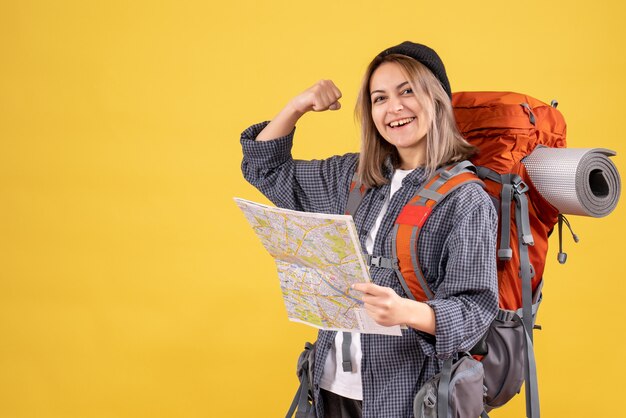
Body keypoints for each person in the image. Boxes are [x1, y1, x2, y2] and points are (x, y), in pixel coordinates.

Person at [240, 41, 498, 418]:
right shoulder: (354, 176)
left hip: (408, 393)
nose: (394, 108)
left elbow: (475, 310)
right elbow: (266, 168)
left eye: (407, 91)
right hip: (330, 388)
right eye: (379, 98)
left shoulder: (465, 200)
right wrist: (297, 107)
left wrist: (406, 311)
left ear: (436, 98)